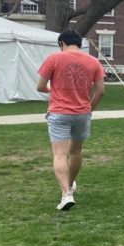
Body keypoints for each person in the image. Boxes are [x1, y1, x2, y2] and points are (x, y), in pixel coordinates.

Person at [36, 29, 105, 211]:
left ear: (62, 43)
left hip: (59, 112)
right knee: (75, 152)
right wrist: (90, 109)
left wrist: (54, 91)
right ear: (79, 43)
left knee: (59, 154)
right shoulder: (94, 61)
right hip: (82, 113)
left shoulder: (54, 59)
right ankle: (70, 184)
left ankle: (66, 193)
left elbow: (40, 86)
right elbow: (101, 91)